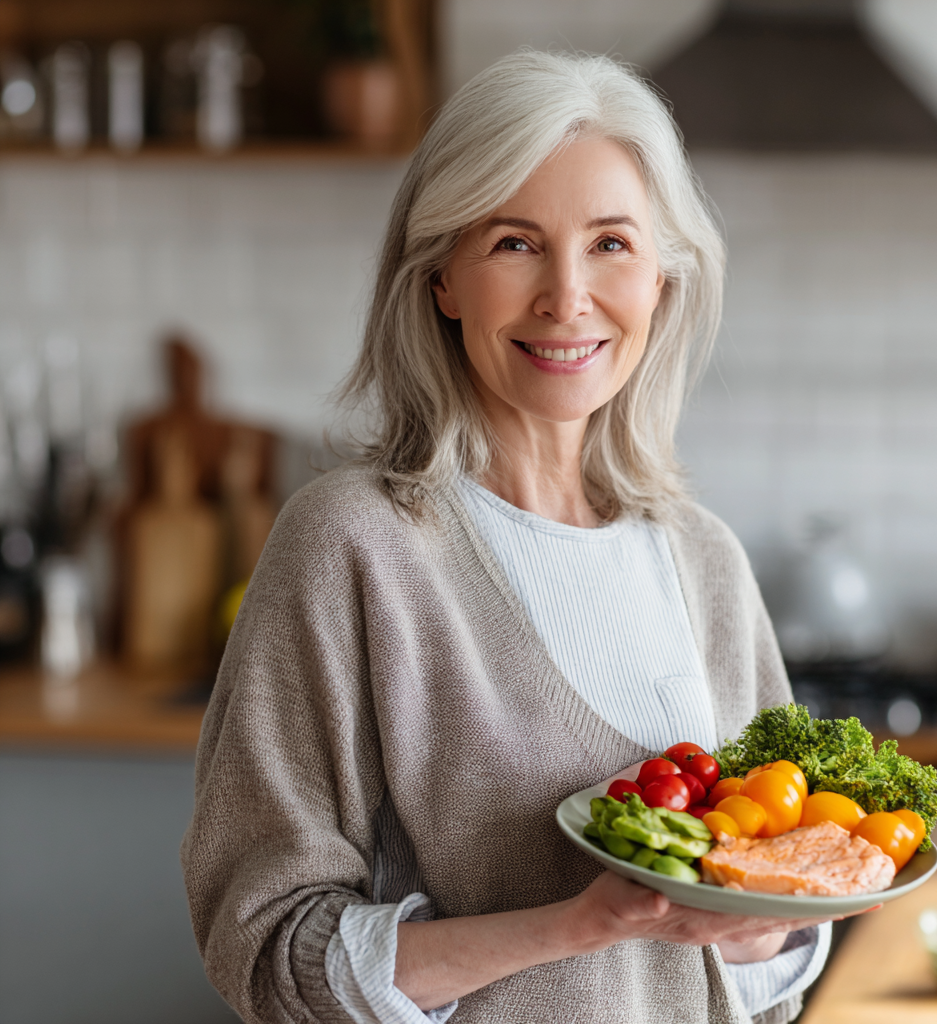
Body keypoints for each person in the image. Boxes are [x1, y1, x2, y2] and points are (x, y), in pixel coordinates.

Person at [182, 50, 850, 1024]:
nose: (566, 296)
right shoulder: (356, 546)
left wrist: (755, 928)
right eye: (513, 243)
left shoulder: (701, 559)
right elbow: (267, 946)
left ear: (661, 277)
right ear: (442, 277)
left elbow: (760, 953)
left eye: (611, 244)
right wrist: (579, 924)